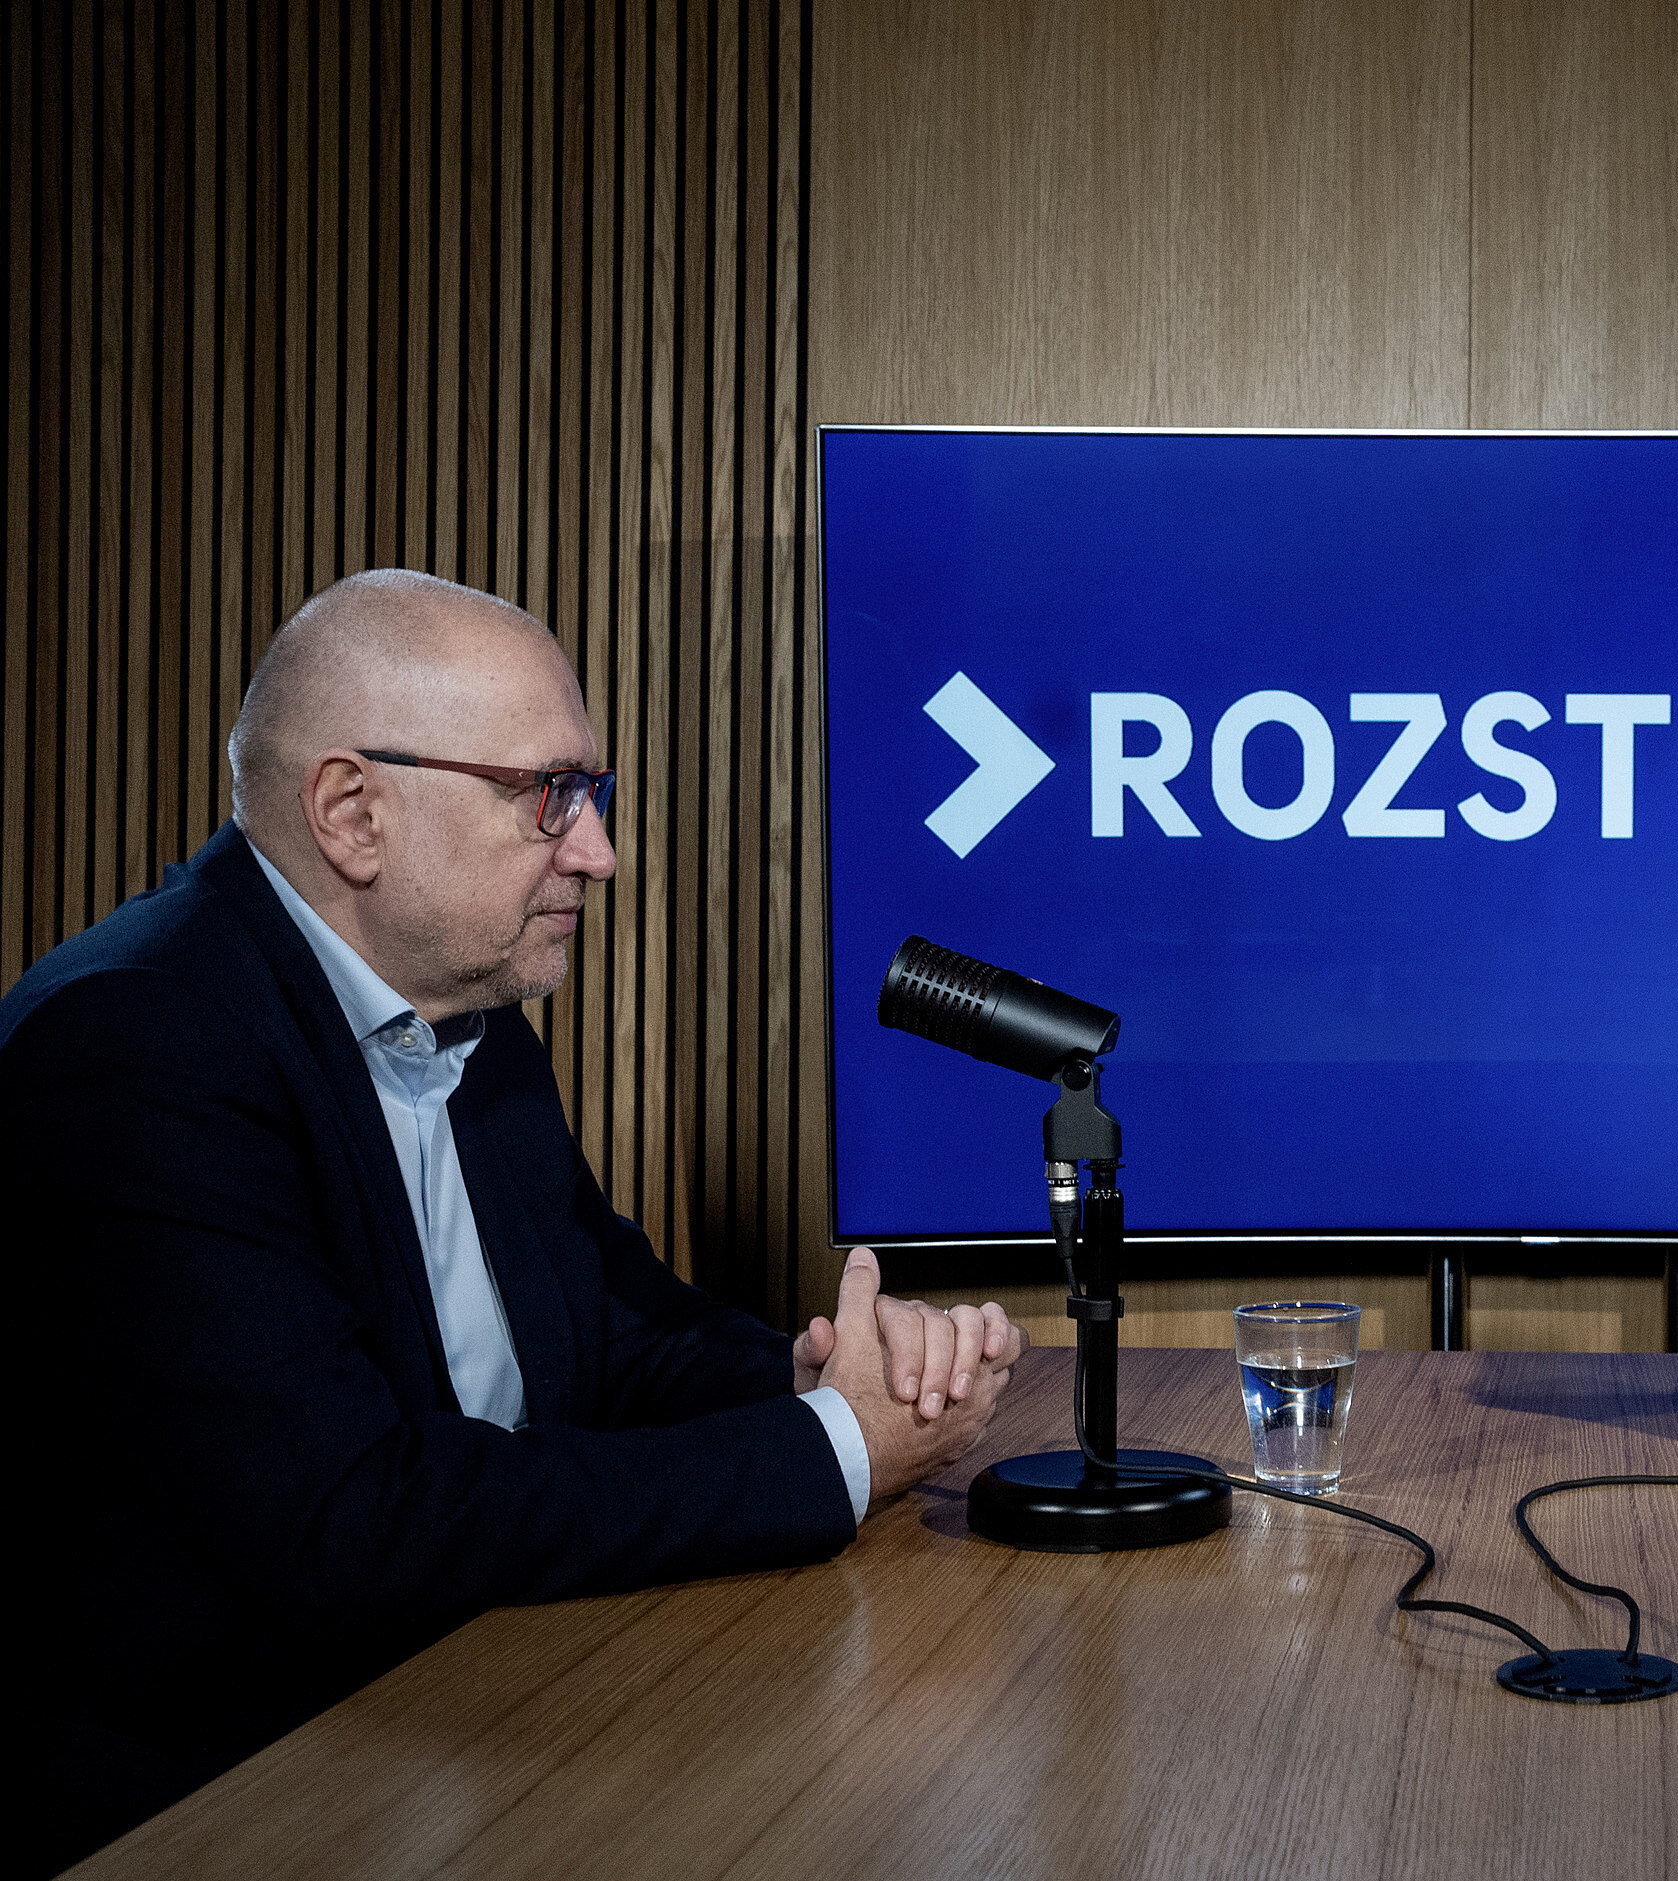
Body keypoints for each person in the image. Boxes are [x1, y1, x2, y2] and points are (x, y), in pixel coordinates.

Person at [8, 570, 1031, 1866]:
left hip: (474, 1724)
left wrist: (820, 1372)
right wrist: (836, 1449)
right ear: (353, 812)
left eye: (592, 795)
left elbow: (617, 1331)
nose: (597, 851)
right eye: (546, 794)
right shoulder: (139, 1042)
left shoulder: (469, 1017)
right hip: (224, 1807)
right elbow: (356, 1521)